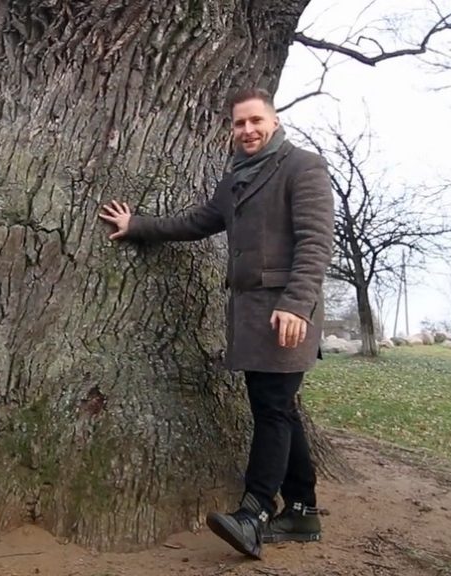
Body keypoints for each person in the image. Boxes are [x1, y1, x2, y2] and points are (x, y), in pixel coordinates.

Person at [98, 87, 334, 559]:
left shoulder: (303, 166)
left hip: (286, 313)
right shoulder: (236, 179)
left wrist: (296, 303)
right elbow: (199, 221)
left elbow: (316, 242)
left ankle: (254, 513)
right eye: (239, 123)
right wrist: (139, 226)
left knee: (271, 408)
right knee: (279, 406)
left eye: (255, 121)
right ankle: (303, 511)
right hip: (249, 315)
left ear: (274, 120)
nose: (247, 130)